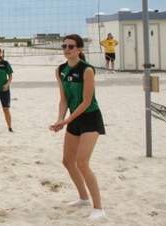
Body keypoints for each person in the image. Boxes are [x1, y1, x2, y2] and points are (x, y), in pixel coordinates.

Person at [49, 35, 106, 220]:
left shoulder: (87, 70)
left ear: (79, 49)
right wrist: (60, 118)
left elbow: (86, 101)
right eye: (64, 46)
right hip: (74, 119)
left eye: (71, 46)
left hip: (90, 118)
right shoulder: (60, 70)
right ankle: (83, 198)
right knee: (67, 161)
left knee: (82, 162)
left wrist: (65, 122)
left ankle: (99, 209)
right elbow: (64, 99)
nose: (66, 49)